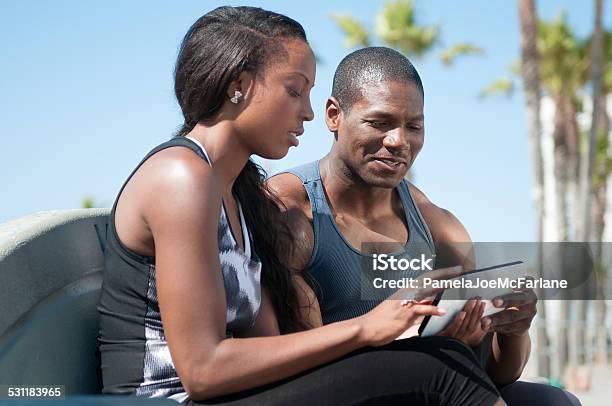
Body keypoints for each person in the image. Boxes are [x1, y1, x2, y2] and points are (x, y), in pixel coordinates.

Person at [98, 7, 505, 405]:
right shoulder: (181, 177)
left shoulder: (240, 194)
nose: (308, 113)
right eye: (294, 90)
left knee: (440, 360)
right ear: (238, 85)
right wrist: (366, 328)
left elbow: (269, 349)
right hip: (172, 399)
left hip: (237, 394)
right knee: (437, 371)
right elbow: (202, 370)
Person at [268, 46, 581, 406]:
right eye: (380, 122)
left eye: (414, 126)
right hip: (338, 393)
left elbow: (494, 376)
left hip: (435, 386)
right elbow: (303, 369)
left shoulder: (439, 227)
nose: (399, 141)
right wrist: (419, 351)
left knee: (553, 401)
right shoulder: (291, 211)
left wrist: (513, 331)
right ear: (334, 115)